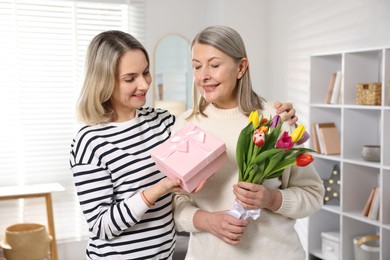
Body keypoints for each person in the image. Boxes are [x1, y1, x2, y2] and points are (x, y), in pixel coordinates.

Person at [69, 30, 298, 259]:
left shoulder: (163, 123)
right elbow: (101, 226)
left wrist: (278, 115)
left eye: (146, 73)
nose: (144, 84)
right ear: (104, 80)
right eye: (130, 79)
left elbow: (217, 124)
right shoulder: (89, 143)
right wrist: (161, 188)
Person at [172, 25, 324, 260]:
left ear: (241, 67)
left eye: (214, 65)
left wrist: (271, 199)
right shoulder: (185, 125)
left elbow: (312, 195)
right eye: (196, 66)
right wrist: (206, 221)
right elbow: (173, 200)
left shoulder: (275, 121)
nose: (203, 76)